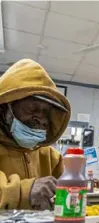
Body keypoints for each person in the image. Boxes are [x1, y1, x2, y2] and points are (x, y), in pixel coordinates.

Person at [0, 59, 71, 210]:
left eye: (46, 112)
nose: (41, 120)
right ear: (5, 109)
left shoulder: (52, 158)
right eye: (32, 109)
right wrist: (23, 192)